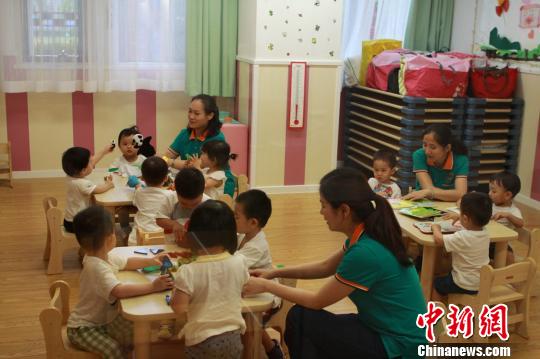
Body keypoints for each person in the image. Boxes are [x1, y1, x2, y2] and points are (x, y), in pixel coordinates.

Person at [243, 168, 427, 358]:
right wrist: (273, 274)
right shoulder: (364, 235)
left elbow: (317, 301)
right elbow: (325, 267)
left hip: (399, 346)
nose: (321, 212)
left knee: (301, 319)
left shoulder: (366, 252)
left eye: (323, 205)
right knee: (305, 320)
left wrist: (266, 286)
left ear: (344, 210)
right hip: (383, 329)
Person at [66, 206, 173, 359]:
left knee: (132, 328)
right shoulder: (96, 267)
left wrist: (151, 261)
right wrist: (152, 286)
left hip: (104, 320)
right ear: (110, 239)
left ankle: (129, 353)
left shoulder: (103, 256)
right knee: (113, 349)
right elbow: (119, 291)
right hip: (84, 328)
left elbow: (127, 262)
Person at [170, 200, 249, 358]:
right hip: (233, 337)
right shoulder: (239, 262)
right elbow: (242, 289)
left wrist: (174, 293)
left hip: (202, 341)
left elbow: (178, 307)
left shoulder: (188, 271)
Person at [234, 189, 283, 358]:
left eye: (236, 216)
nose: (234, 220)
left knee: (247, 318)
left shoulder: (257, 245)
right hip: (250, 287)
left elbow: (234, 264)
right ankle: (271, 348)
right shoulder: (243, 235)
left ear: (253, 222)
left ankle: (263, 350)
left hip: (266, 294)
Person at [162, 94, 235, 196]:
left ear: (210, 115)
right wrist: (166, 160)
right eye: (190, 111)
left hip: (215, 187)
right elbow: (165, 156)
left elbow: (196, 165)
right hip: (194, 181)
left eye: (196, 113)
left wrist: (168, 161)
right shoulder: (184, 134)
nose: (191, 116)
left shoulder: (217, 139)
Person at [431, 192, 492, 302]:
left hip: (464, 283)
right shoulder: (485, 232)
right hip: (481, 282)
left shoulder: (463, 237)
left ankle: (437, 316)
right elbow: (469, 224)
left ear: (465, 218)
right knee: (448, 274)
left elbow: (439, 240)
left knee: (437, 284)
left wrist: (435, 228)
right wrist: (460, 217)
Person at [403, 124, 468, 202]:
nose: (427, 151)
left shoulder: (461, 160)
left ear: (447, 148)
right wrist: (431, 192)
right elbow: (427, 189)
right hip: (425, 202)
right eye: (424, 145)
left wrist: (431, 192)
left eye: (433, 147)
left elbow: (461, 194)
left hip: (449, 204)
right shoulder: (419, 155)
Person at [61, 145, 114, 233]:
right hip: (78, 223)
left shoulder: (70, 176)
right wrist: (108, 185)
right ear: (83, 171)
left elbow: (93, 162)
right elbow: (99, 189)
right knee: (102, 220)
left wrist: (104, 151)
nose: (93, 163)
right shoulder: (83, 184)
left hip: (69, 220)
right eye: (90, 162)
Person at [127, 157, 177, 246]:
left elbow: (138, 188)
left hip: (138, 240)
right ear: (166, 178)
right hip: (161, 240)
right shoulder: (170, 195)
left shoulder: (139, 193)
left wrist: (137, 184)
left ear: (142, 178)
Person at [156, 168, 211, 247]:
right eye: (184, 203)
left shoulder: (208, 205)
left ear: (203, 192)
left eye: (195, 203)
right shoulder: (170, 199)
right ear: (176, 192)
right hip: (172, 246)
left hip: (199, 248)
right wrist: (173, 224)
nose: (189, 207)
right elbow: (159, 219)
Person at [488, 171, 523, 264]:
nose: (490, 193)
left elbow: (520, 224)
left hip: (500, 244)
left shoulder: (513, 210)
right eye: (490, 190)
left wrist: (508, 215)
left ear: (507, 195)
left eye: (494, 191)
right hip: (485, 239)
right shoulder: (490, 205)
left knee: (509, 258)